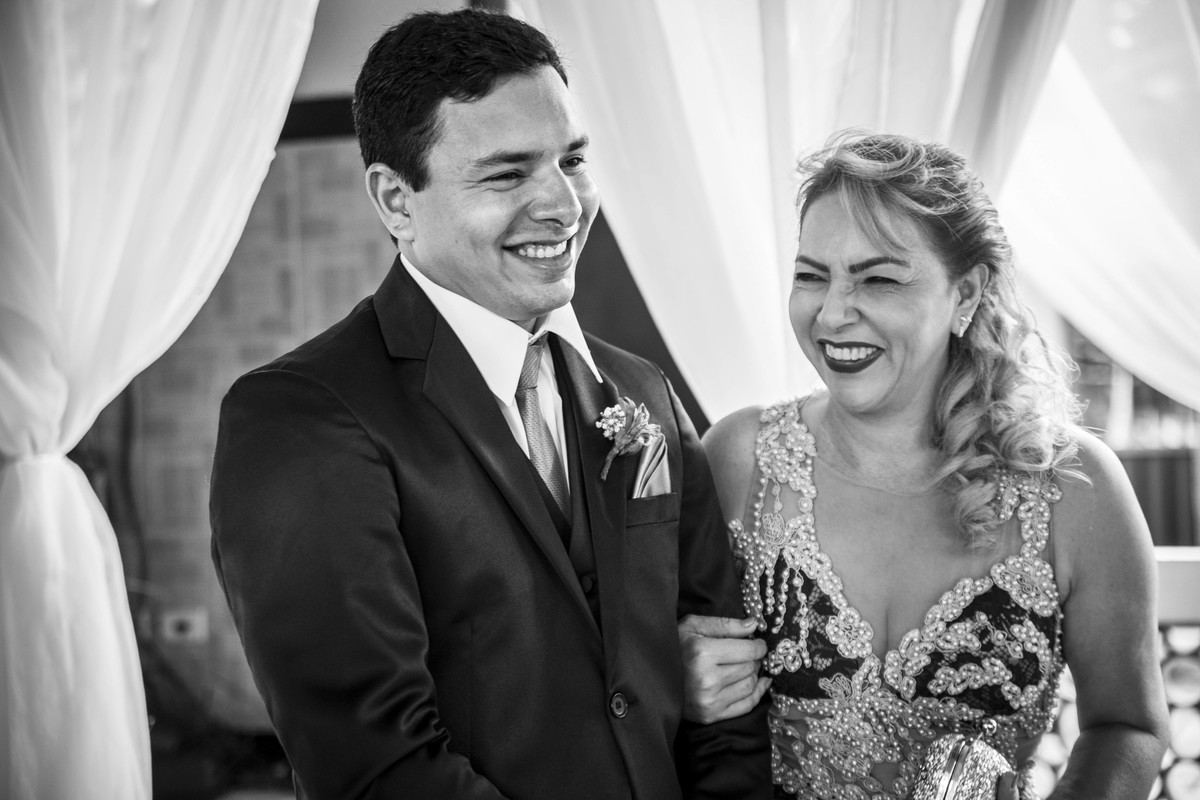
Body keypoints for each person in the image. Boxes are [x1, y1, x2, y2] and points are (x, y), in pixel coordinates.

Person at [208, 8, 770, 800]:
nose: (564, 206)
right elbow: (379, 771)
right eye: (508, 175)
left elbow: (729, 683)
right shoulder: (299, 419)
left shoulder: (642, 391)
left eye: (573, 160)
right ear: (396, 200)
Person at [684, 131, 1169, 799]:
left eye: (878, 279)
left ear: (965, 294)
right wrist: (675, 678)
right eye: (811, 275)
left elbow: (1127, 726)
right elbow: (648, 680)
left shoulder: (1076, 489)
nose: (832, 313)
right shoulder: (739, 460)